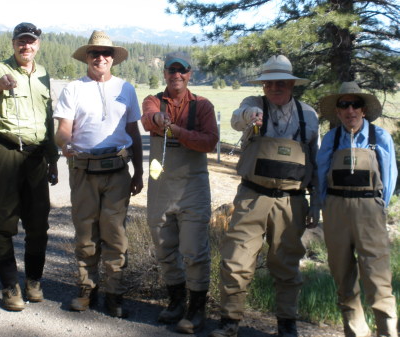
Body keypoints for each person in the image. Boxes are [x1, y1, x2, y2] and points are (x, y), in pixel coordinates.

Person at [211, 55, 320, 337]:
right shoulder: (254, 105)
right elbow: (237, 118)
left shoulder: (308, 115)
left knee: (286, 265)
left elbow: (316, 161)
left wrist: (316, 203)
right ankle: (229, 321)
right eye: (269, 83)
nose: (274, 87)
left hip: (293, 201)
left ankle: (287, 325)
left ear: (291, 84)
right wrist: (248, 118)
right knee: (237, 259)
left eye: (280, 82)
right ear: (263, 86)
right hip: (252, 197)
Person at [53, 30, 143, 318]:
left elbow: (133, 132)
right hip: (83, 169)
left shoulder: (126, 89)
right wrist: (64, 143)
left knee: (115, 235)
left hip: (118, 171)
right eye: (94, 53)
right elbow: (63, 128)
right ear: (87, 58)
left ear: (113, 58)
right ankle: (86, 288)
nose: (100, 58)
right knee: (85, 232)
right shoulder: (73, 89)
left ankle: (114, 293)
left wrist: (139, 171)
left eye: (106, 53)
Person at [0, 22, 59, 311]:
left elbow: (48, 119)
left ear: (38, 44)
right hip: (6, 149)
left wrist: (53, 158)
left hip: (37, 155)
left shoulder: (45, 75)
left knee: (38, 222)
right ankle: (10, 287)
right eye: (21, 41)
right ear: (13, 44)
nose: (26, 46)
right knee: (3, 222)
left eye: (31, 41)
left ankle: (33, 281)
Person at [141, 51, 218, 334]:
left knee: (194, 250)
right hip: (161, 186)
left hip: (193, 186)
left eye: (182, 70)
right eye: (171, 70)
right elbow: (147, 118)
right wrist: (158, 119)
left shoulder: (204, 106)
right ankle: (176, 302)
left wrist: (176, 131)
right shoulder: (153, 100)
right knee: (164, 245)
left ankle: (197, 309)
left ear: (190, 74)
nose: (176, 75)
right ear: (165, 73)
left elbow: (210, 142)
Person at [317, 82, 398, 337]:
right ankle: (355, 332)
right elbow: (320, 174)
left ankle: (387, 332)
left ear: (363, 110)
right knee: (343, 277)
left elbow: (390, 178)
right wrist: (322, 207)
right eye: (344, 105)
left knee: (377, 278)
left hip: (369, 211)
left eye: (355, 104)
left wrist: (376, 207)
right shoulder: (332, 138)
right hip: (336, 210)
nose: (350, 110)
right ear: (338, 111)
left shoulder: (380, 137)